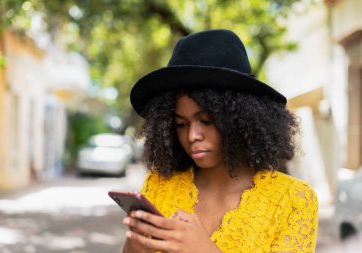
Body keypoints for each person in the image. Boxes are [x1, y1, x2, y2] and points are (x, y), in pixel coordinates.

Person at [122, 29, 318, 253]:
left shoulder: (293, 200)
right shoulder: (159, 184)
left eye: (206, 120)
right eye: (181, 124)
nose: (192, 136)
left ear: (241, 119)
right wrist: (134, 245)